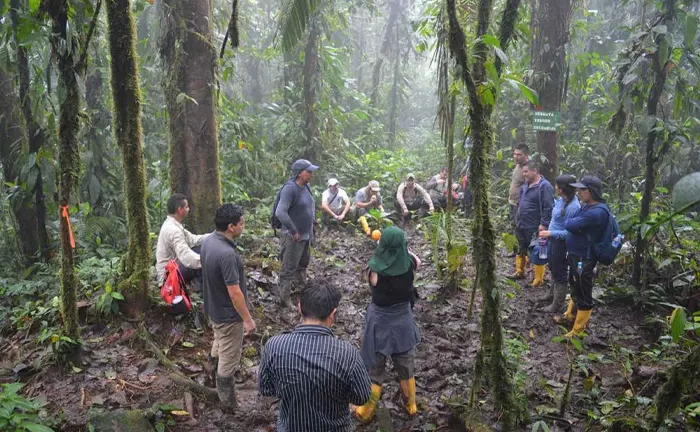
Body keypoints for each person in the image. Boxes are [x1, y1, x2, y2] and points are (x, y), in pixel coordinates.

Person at [258, 279, 372, 432]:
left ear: (299, 307)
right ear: (333, 313)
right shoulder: (348, 354)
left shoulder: (274, 346)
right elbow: (362, 397)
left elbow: (266, 389)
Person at [353, 226, 421, 423]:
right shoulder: (410, 263)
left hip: (379, 323)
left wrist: (382, 248)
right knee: (406, 365)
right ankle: (411, 405)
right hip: (402, 322)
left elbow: (376, 266)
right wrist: (403, 249)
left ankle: (366, 411)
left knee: (375, 367)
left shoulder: (373, 271)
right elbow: (418, 260)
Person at [200, 204, 256, 411]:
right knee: (229, 359)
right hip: (229, 316)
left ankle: (210, 371)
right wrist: (248, 320)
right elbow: (235, 293)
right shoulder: (227, 255)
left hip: (214, 308)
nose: (244, 226)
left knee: (219, 341)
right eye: (242, 223)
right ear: (231, 227)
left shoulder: (209, 241)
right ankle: (228, 404)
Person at [558, 176, 610, 337]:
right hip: (576, 254)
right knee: (574, 283)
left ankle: (579, 330)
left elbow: (569, 224)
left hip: (584, 257)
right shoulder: (587, 207)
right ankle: (570, 316)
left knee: (583, 288)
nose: (579, 192)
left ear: (592, 191)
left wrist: (574, 224)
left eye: (582, 189)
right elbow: (572, 224)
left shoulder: (597, 212)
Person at [275, 159, 318, 307]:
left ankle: (301, 288)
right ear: (300, 173)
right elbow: (280, 212)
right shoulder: (290, 188)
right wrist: (293, 230)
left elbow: (310, 205)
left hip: (306, 235)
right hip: (292, 236)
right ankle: (284, 298)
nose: (311, 174)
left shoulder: (306, 186)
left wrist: (312, 221)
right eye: (309, 171)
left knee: (303, 263)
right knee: (288, 267)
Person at [536, 175, 581, 314]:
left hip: (562, 244)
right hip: (552, 241)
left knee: (560, 272)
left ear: (561, 189)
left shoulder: (573, 207)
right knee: (553, 268)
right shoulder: (561, 200)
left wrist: (550, 233)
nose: (554, 188)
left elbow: (570, 233)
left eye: (556, 186)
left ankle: (557, 304)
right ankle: (551, 295)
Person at [509, 161, 554, 286]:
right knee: (520, 247)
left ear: (535, 171)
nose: (524, 174)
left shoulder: (544, 186)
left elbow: (548, 206)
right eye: (523, 172)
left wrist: (544, 224)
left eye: (526, 171)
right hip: (521, 223)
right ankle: (520, 271)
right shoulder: (525, 185)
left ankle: (538, 279)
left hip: (534, 225)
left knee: (535, 251)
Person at [155, 193, 208, 286]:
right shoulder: (173, 230)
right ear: (180, 210)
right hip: (167, 277)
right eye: (186, 207)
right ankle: (204, 291)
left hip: (174, 267)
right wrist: (208, 261)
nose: (188, 209)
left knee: (204, 249)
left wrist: (215, 236)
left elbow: (193, 239)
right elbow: (186, 257)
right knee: (204, 259)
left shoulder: (173, 224)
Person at [507, 144, 529, 255]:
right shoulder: (517, 166)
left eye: (519, 155)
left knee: (520, 228)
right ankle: (515, 250)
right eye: (514, 154)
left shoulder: (528, 169)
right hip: (512, 202)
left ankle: (522, 252)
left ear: (526, 155)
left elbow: (529, 188)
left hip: (519, 204)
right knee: (513, 226)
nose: (516, 157)